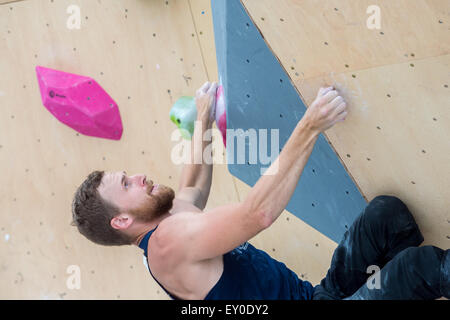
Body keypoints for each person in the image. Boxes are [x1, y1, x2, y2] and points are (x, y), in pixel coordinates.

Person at [71, 82, 449, 300]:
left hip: (315, 297)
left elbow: (191, 186)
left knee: (386, 217)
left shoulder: (165, 227)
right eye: (126, 183)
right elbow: (258, 214)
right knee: (414, 269)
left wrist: (203, 117)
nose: (138, 176)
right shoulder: (167, 245)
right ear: (121, 219)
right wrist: (309, 126)